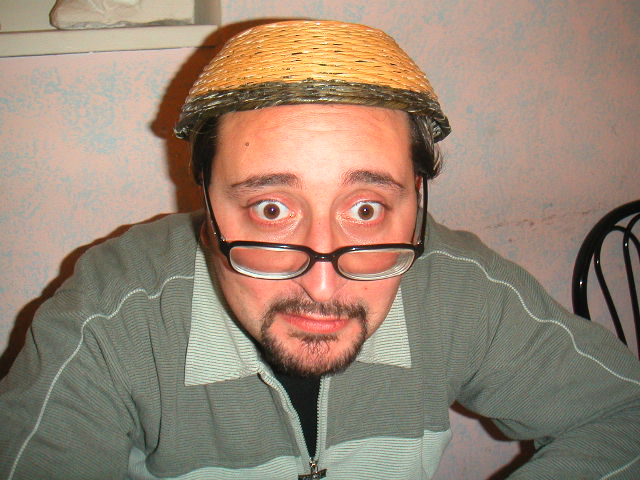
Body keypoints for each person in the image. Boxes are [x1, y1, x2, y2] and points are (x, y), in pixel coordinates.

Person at [0, 19, 638, 480]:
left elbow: (623, 415)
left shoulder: (459, 287)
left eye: (366, 209)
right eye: (271, 209)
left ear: (417, 200)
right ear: (206, 204)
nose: (324, 287)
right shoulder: (115, 312)